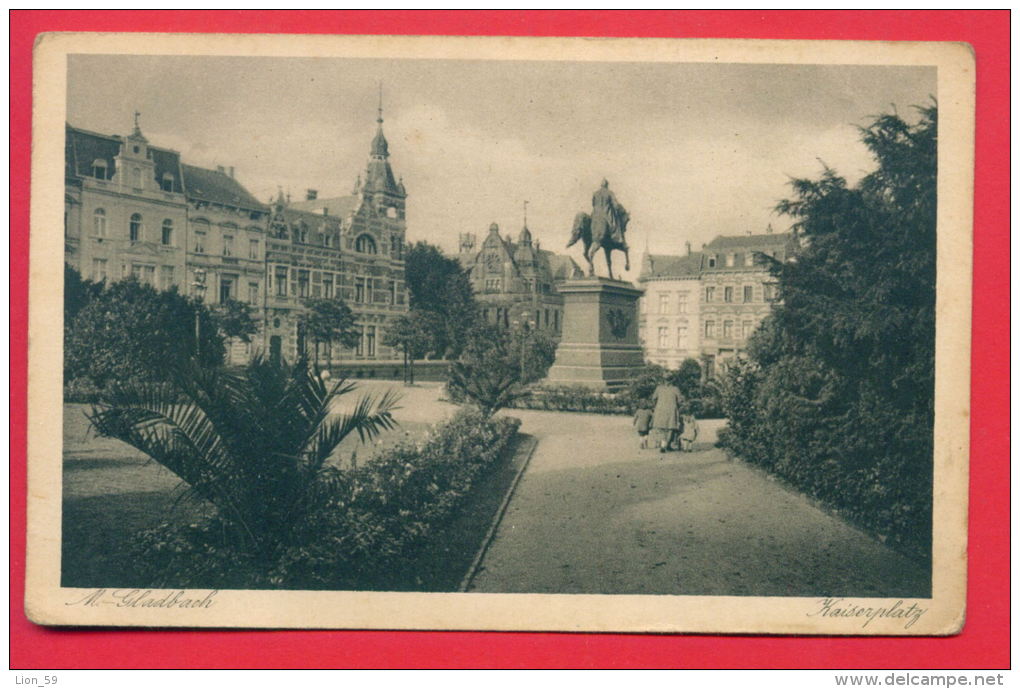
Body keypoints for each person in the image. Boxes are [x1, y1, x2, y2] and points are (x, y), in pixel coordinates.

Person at [651, 382, 683, 453]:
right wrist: (678, 407)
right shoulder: (675, 389)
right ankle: (666, 445)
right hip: (671, 410)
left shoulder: (659, 388)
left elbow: (653, 399)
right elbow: (680, 401)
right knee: (670, 428)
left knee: (661, 428)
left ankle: (663, 445)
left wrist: (656, 406)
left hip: (660, 409)